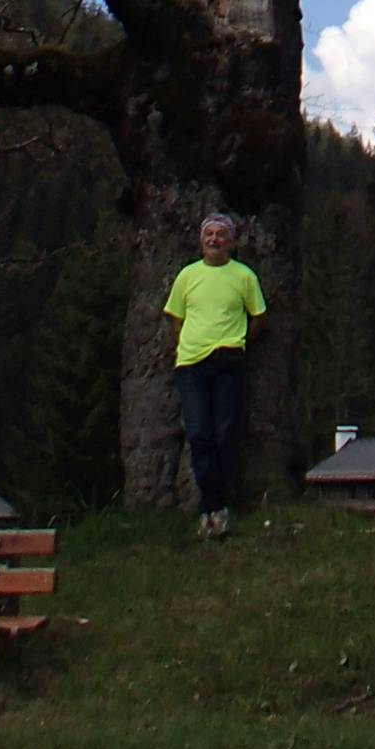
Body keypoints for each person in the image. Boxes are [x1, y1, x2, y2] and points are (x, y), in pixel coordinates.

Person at [162, 212, 267, 539]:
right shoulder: (187, 276)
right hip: (192, 363)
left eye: (221, 234)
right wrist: (187, 345)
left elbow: (259, 316)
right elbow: (175, 318)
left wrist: (240, 343)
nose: (214, 239)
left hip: (228, 360)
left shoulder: (244, 276)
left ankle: (213, 511)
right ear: (201, 240)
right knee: (199, 434)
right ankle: (212, 508)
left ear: (231, 241)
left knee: (225, 434)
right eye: (209, 233)